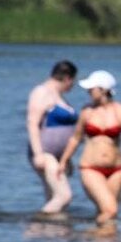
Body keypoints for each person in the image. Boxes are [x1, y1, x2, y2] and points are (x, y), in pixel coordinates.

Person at [58, 70, 121, 225]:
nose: (88, 91)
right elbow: (76, 138)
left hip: (116, 170)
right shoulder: (87, 111)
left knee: (106, 212)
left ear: (104, 90)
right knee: (111, 210)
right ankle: (91, 239)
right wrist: (64, 161)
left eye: (92, 88)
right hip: (90, 168)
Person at [26, 60, 79, 213]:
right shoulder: (41, 92)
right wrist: (38, 155)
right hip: (45, 153)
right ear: (67, 78)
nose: (73, 85)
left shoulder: (59, 96)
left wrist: (66, 158)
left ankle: (51, 233)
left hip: (58, 156)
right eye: (73, 81)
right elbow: (32, 123)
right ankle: (36, 225)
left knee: (54, 198)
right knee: (64, 196)